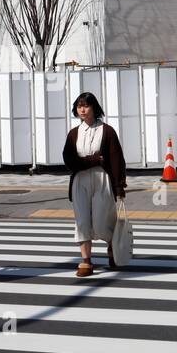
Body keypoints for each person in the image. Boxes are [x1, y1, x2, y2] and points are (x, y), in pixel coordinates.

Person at [62, 92, 127, 277]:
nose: (82, 109)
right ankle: (86, 262)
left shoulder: (107, 131)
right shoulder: (73, 134)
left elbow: (116, 160)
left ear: (94, 108)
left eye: (86, 105)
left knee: (101, 221)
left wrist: (119, 186)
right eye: (79, 106)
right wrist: (94, 159)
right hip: (80, 181)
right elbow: (70, 161)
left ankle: (112, 246)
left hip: (102, 179)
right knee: (82, 221)